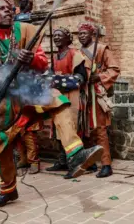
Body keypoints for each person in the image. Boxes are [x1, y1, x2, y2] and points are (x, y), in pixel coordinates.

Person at [0, 0, 102, 208]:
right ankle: (8, 189)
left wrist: (29, 60)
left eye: (9, 9)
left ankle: (75, 153)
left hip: (29, 91)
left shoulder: (25, 30)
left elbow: (41, 63)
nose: (7, 12)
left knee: (58, 101)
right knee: (2, 147)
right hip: (0, 100)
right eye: (1, 9)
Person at [44, 27, 89, 178]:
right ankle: (62, 160)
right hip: (58, 96)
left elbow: (81, 77)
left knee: (71, 127)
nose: (56, 38)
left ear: (68, 38)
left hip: (72, 96)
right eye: (54, 36)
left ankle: (76, 164)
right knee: (58, 129)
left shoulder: (74, 54)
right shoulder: (55, 56)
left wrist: (61, 80)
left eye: (59, 35)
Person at [78, 22, 120, 178]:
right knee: (86, 129)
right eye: (79, 33)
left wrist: (99, 77)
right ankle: (90, 163)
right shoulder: (78, 52)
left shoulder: (102, 49)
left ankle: (106, 165)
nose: (81, 36)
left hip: (97, 94)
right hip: (84, 94)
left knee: (100, 129)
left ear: (91, 34)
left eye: (84, 33)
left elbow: (114, 69)